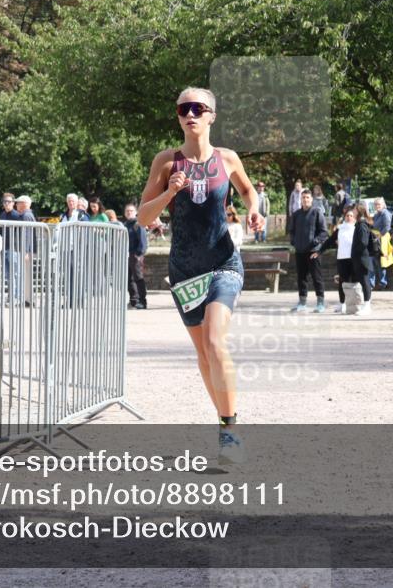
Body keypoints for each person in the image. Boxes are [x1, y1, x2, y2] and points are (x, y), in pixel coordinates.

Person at [137, 86, 262, 465]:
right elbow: (144, 217)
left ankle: (230, 432)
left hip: (223, 262)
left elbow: (247, 192)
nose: (190, 113)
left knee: (214, 340)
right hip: (184, 270)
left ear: (211, 116)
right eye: (183, 108)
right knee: (203, 354)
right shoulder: (165, 162)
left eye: (198, 108)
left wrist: (253, 210)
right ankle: (224, 423)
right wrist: (167, 194)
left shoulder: (228, 158)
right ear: (178, 116)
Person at [315, 203, 373, 315]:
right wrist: (320, 251)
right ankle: (343, 304)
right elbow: (330, 240)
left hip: (354, 258)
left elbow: (362, 242)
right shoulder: (340, 228)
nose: (349, 217)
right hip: (342, 258)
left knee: (359, 281)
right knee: (343, 281)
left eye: (351, 215)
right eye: (347, 215)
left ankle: (361, 304)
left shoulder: (359, 226)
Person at [289, 189, 327, 313]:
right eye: (303, 197)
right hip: (299, 251)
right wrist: (294, 242)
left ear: (311, 199)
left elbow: (324, 232)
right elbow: (292, 231)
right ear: (301, 199)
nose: (305, 200)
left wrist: (314, 242)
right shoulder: (296, 214)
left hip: (313, 251)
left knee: (317, 277)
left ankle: (320, 303)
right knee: (301, 278)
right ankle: (302, 302)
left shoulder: (317, 212)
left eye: (307, 198)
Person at [123, 203, 148, 310]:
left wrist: (139, 254)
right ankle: (134, 301)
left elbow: (143, 242)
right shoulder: (124, 225)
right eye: (127, 211)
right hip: (127, 255)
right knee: (129, 279)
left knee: (138, 278)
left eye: (131, 211)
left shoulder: (138, 224)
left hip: (135, 255)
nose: (129, 212)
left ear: (136, 212)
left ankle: (142, 301)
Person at [370, 197, 392, 290]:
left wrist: (380, 235)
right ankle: (372, 284)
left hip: (381, 241)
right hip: (375, 240)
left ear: (383, 205)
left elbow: (387, 227)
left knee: (380, 262)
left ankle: (383, 283)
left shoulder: (385, 213)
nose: (377, 206)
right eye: (375, 204)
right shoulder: (377, 214)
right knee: (373, 261)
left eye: (378, 204)